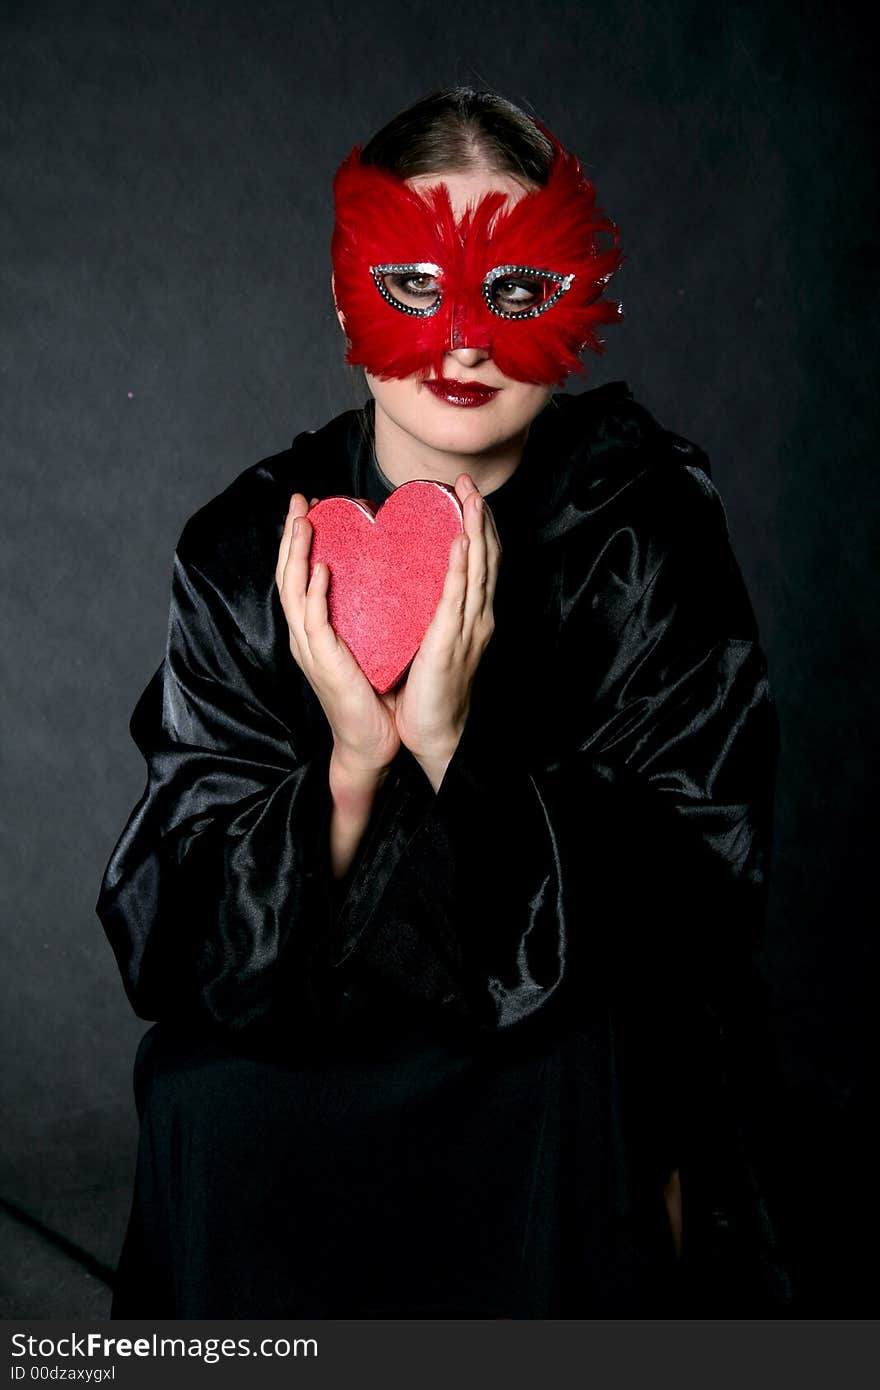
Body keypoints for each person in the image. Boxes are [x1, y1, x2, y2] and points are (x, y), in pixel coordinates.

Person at [96, 86, 796, 1317]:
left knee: (588, 1083)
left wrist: (448, 744)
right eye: (416, 286)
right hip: (306, 1012)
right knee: (203, 1094)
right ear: (342, 295)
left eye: (515, 290)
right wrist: (357, 770)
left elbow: (695, 887)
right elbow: (176, 926)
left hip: (567, 1025)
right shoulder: (244, 546)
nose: (465, 340)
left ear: (571, 295)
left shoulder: (644, 532)